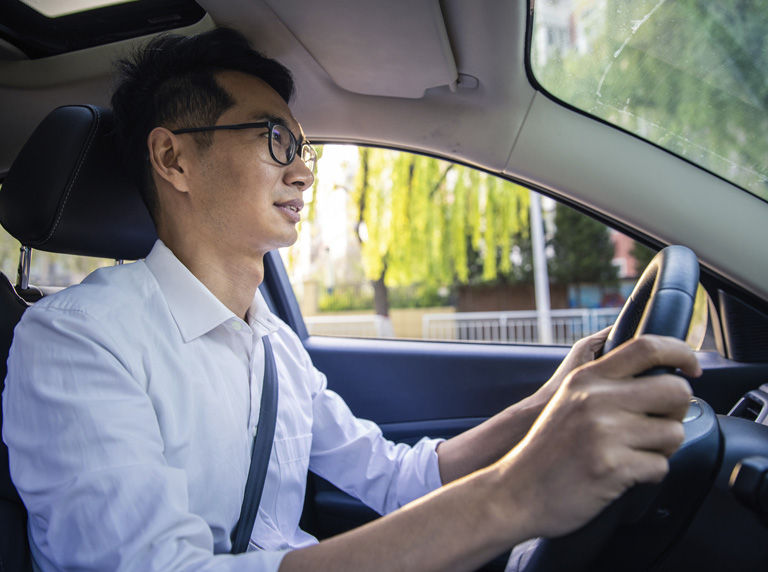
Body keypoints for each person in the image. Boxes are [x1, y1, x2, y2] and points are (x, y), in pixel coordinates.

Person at [1, 28, 700, 572]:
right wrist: (514, 498)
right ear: (173, 159)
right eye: (275, 138)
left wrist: (552, 399)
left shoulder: (273, 343)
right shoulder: (80, 341)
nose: (304, 171)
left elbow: (397, 479)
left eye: (303, 147)